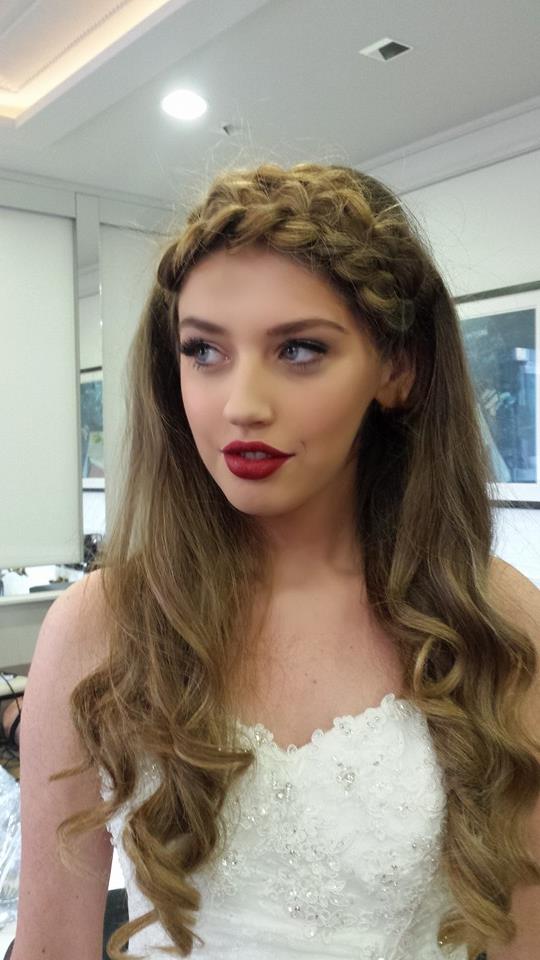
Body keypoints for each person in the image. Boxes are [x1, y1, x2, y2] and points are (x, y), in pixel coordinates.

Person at [10, 163, 540, 960]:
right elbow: (51, 946)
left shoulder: (492, 617)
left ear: (396, 370)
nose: (241, 404)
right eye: (204, 351)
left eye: (298, 349)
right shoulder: (102, 626)